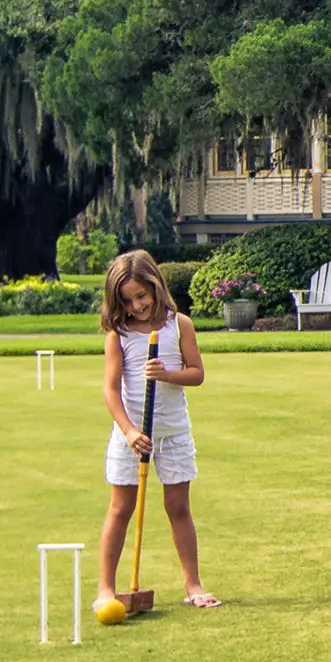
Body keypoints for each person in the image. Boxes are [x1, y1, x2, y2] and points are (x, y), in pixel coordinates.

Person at [98, 249, 221, 609]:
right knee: (121, 509)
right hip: (132, 434)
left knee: (178, 507)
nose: (137, 305)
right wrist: (130, 432)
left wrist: (167, 374)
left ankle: (193, 585)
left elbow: (197, 373)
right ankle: (106, 588)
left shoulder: (179, 325)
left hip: (173, 431)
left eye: (142, 295)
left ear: (155, 286)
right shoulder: (118, 335)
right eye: (127, 299)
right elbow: (110, 390)